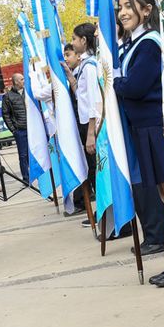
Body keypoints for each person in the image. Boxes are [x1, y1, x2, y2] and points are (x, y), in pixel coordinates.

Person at [113, 0, 164, 265]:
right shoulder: (134, 43)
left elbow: (136, 86)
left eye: (129, 7)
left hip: (154, 126)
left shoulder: (149, 42)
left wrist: (116, 82)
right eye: (120, 7)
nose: (123, 13)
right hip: (142, 127)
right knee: (162, 193)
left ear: (146, 10)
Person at [70, 24, 102, 219]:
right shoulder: (84, 64)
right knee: (92, 169)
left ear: (84, 40)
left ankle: (106, 211)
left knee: (96, 169)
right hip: (84, 123)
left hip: (90, 125)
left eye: (74, 39)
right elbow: (81, 95)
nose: (72, 43)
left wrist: (91, 133)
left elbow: (92, 101)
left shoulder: (90, 67)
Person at [1, 73, 30, 183]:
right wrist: (13, 129)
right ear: (16, 82)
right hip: (20, 130)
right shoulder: (8, 96)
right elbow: (6, 114)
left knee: (34, 152)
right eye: (22, 79)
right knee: (23, 155)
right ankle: (26, 178)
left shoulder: (28, 92)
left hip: (32, 129)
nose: (24, 81)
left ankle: (38, 175)